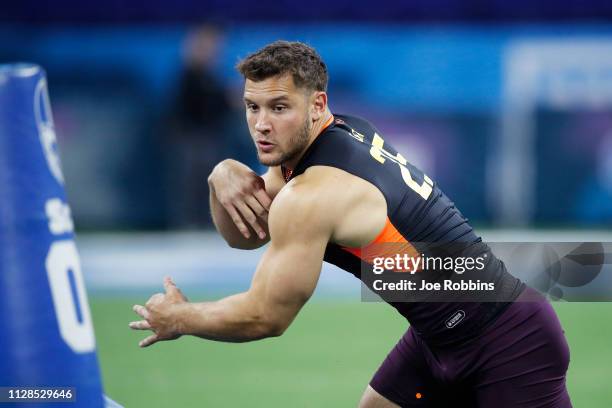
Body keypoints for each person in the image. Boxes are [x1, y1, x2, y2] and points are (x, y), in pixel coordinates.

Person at [130, 41, 572, 407]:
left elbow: (267, 317)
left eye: (279, 107)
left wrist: (182, 319)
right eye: (252, 107)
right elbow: (246, 234)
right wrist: (220, 176)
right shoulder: (328, 140)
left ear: (317, 104)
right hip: (438, 338)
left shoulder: (314, 192)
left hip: (510, 341)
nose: (261, 125)